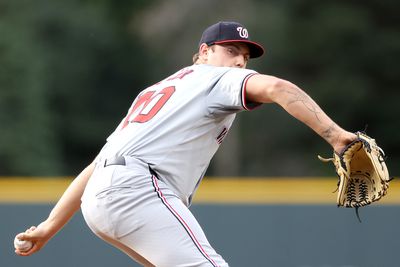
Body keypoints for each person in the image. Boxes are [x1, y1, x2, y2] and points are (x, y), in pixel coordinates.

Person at [15, 21, 356, 266]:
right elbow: (280, 89)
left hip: (101, 201)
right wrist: (338, 137)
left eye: (245, 57)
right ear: (204, 52)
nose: (239, 61)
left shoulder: (157, 91)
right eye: (232, 50)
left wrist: (49, 226)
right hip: (139, 191)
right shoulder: (216, 78)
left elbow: (98, 164)